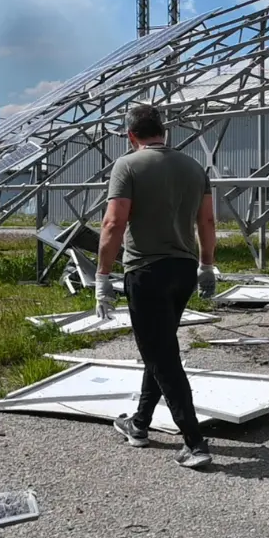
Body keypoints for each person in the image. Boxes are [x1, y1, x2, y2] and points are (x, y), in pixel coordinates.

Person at [94, 103, 220, 469]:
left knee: (163, 356)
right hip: (182, 271)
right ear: (163, 133)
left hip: (146, 272)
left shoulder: (127, 165)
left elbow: (113, 224)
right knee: (159, 347)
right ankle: (139, 424)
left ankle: (194, 443)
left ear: (131, 136)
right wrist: (207, 265)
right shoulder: (194, 167)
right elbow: (207, 220)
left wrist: (102, 276)